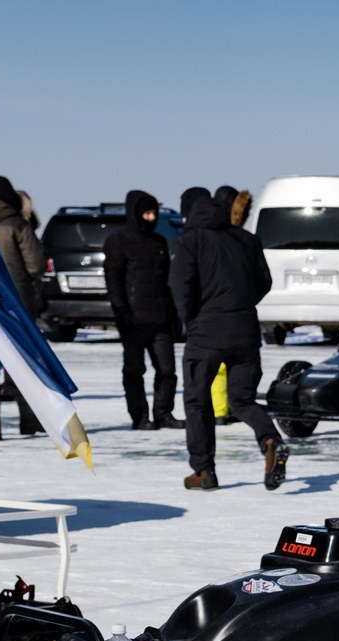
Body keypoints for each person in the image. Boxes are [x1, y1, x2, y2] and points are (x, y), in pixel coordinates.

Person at [170, 186, 286, 490]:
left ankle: (204, 471)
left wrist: (192, 319)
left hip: (206, 332)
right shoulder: (246, 239)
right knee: (242, 400)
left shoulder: (189, 240)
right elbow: (264, 282)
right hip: (246, 329)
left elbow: (181, 287)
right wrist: (240, 305)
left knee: (197, 401)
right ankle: (269, 438)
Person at [101, 190, 180, 431]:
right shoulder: (118, 242)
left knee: (167, 370)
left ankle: (163, 413)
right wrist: (121, 312)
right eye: (146, 213)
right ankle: (139, 416)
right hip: (132, 320)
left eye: (154, 213)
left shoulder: (159, 243)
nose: (151, 218)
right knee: (135, 370)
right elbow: (113, 281)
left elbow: (167, 281)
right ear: (135, 214)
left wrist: (173, 314)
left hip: (160, 318)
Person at [0, 174, 44, 438]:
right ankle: (28, 421)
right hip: (16, 306)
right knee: (22, 363)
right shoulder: (17, 225)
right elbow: (36, 266)